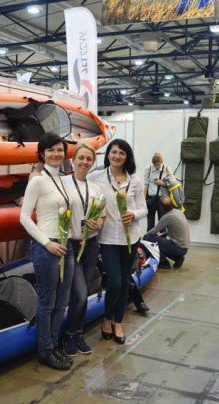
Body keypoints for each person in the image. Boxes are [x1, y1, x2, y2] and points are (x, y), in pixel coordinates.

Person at [20, 133, 77, 371]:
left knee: (62, 301)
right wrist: (46, 243)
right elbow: (24, 217)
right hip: (47, 247)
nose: (56, 154)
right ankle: (45, 350)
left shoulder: (64, 180)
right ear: (42, 154)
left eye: (60, 150)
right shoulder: (37, 181)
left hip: (67, 245)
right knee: (47, 302)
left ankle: (53, 344)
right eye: (51, 150)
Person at [88, 139, 147, 345]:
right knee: (114, 282)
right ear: (108, 155)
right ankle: (107, 319)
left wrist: (133, 214)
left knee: (123, 283)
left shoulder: (135, 181)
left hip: (131, 238)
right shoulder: (96, 177)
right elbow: (77, 183)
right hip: (108, 238)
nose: (117, 156)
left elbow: (144, 208)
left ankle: (118, 321)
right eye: (114, 152)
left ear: (127, 157)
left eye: (122, 153)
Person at [61, 143, 105, 357]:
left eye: (89, 159)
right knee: (78, 294)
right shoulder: (63, 183)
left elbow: (102, 215)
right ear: (73, 159)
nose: (84, 162)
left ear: (92, 162)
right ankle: (70, 334)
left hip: (91, 244)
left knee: (84, 292)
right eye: (81, 158)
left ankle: (78, 334)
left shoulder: (96, 188)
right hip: (71, 244)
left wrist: (98, 224)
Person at [144, 195, 190, 269]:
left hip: (178, 248)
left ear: (161, 207)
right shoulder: (179, 212)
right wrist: (163, 234)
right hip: (184, 248)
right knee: (162, 242)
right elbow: (177, 230)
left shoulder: (167, 217)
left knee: (149, 238)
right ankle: (178, 258)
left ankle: (164, 263)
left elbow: (153, 231)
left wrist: (144, 237)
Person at [144, 153, 172, 230]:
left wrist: (162, 183)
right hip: (151, 198)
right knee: (150, 223)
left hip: (162, 198)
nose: (157, 167)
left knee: (162, 222)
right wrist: (143, 200)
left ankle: (162, 237)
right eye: (155, 165)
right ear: (153, 163)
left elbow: (172, 183)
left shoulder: (166, 169)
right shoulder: (148, 169)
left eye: (158, 165)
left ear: (161, 162)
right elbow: (146, 185)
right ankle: (149, 237)